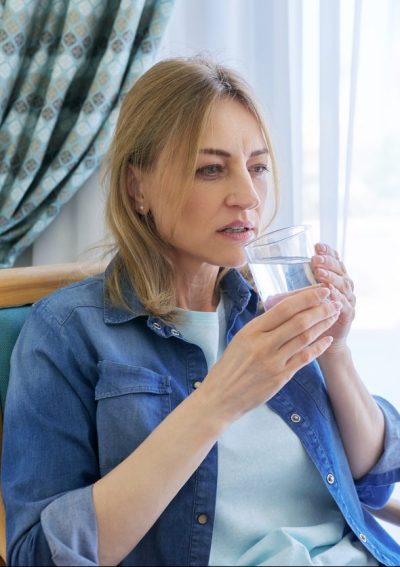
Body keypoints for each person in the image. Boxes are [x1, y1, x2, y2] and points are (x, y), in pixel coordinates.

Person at [2, 56, 400, 567]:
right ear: (136, 187)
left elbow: (369, 482)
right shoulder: (67, 331)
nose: (248, 196)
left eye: (257, 167)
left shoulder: (269, 308)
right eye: (210, 169)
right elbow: (39, 554)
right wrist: (216, 402)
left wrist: (336, 352)